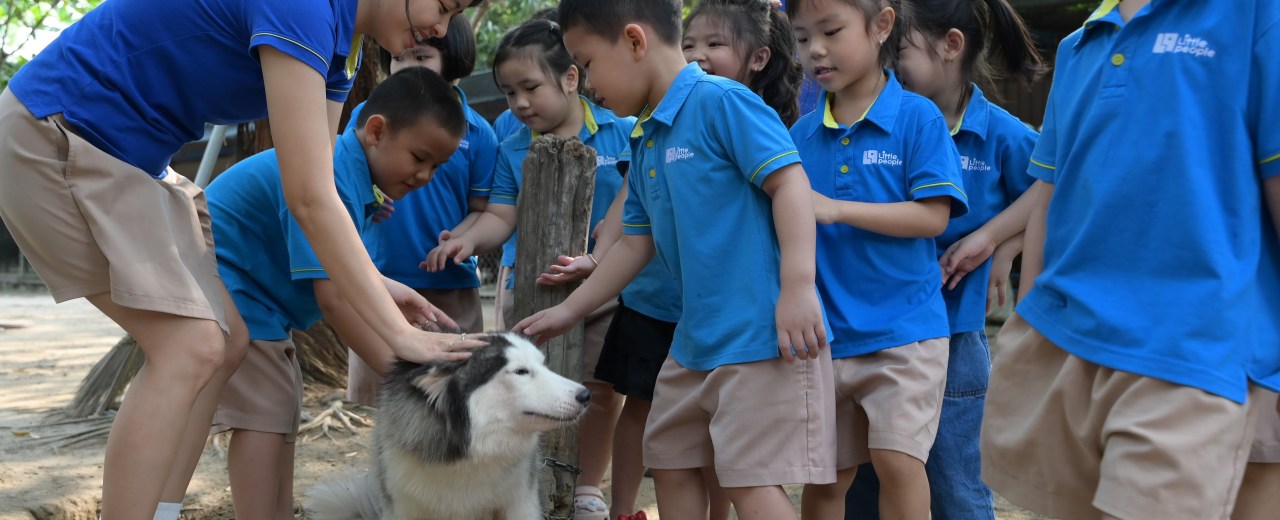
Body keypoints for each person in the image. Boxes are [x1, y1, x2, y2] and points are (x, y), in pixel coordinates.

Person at [0, 1, 483, 518]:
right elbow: (309, 199)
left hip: (134, 165)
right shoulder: (306, 10)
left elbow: (319, 191)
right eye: (444, 4)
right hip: (55, 132)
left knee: (224, 338)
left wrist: (382, 287)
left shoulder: (341, 51)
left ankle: (161, 510)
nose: (441, 27)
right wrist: (401, 337)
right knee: (189, 346)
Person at [516, 1, 835, 519]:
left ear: (636, 41)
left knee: (748, 480)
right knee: (669, 460)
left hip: (757, 337)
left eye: (589, 63)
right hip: (692, 343)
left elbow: (790, 184)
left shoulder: (722, 102)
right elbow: (634, 243)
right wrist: (569, 312)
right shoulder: (644, 138)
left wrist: (798, 286)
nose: (585, 83)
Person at [980, 1, 1280, 519]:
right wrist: (1024, 332)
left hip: (1197, 354)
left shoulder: (1256, 16)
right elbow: (1051, 201)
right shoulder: (1079, 47)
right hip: (1075, 349)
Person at [207, 67, 466, 519]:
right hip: (230, 283)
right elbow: (336, 297)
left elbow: (347, 273)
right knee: (263, 414)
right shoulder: (330, 176)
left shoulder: (356, 180)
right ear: (377, 131)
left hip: (257, 297)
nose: (425, 175)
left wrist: (390, 290)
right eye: (419, 157)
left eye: (436, 167)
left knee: (279, 409)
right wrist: (403, 379)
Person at [422, 18, 633, 520]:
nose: (519, 102)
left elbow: (636, 212)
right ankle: (529, 480)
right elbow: (500, 214)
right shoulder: (510, 141)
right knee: (524, 389)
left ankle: (588, 488)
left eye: (530, 87)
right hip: (530, 292)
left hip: (606, 290)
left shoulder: (621, 133)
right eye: (508, 92)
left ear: (571, 78)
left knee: (600, 391)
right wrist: (467, 240)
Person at [843, 0, 1043, 517]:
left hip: (954, 337)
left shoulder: (1000, 134)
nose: (887, 65)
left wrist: (1001, 241)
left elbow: (1058, 184)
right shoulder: (880, 124)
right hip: (876, 335)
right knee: (865, 488)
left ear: (950, 46)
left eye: (899, 52)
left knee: (955, 486)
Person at [786, 0, 969, 518]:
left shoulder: (917, 116)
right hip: (826, 340)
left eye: (831, 31)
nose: (815, 50)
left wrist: (837, 209)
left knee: (897, 461)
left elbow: (934, 217)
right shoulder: (798, 136)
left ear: (881, 25)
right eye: (801, 38)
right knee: (825, 479)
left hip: (906, 334)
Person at [343, 13, 497, 407]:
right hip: (379, 280)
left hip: (451, 287)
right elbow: (341, 187)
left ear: (452, 58)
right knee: (386, 399)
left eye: (422, 58)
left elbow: (483, 209)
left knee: (456, 395)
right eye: (400, 58)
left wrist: (459, 240)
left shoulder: (479, 133)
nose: (407, 67)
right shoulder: (367, 121)